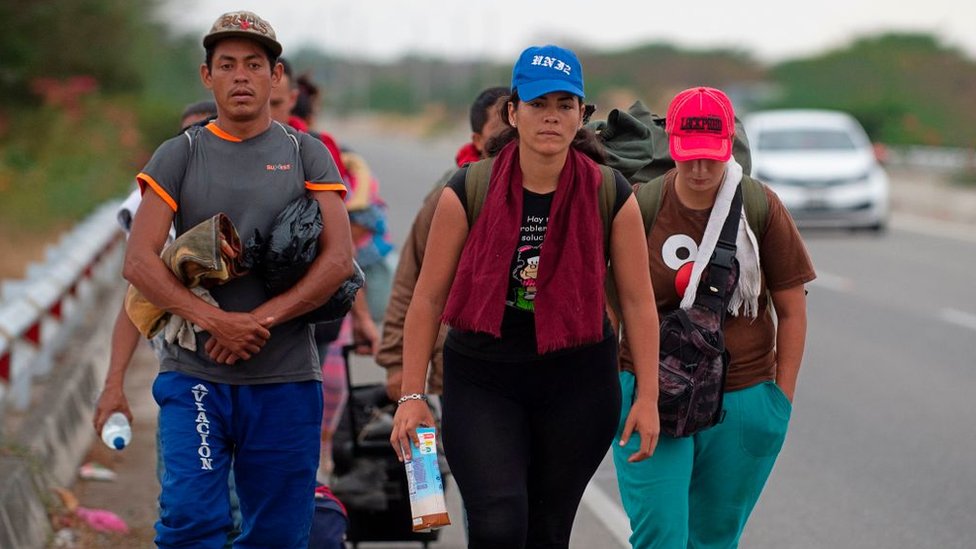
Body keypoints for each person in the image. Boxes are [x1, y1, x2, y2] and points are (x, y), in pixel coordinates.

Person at [390, 45, 661, 548]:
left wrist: (647, 397)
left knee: (548, 532)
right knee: (498, 524)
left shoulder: (610, 193)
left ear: (582, 114)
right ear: (513, 113)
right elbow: (426, 300)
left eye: (564, 104)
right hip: (483, 377)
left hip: (578, 380)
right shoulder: (468, 189)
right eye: (538, 104)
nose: (551, 116)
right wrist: (412, 395)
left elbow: (638, 302)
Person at [123, 11, 352, 548]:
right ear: (208, 76)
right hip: (195, 375)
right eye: (227, 65)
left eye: (254, 64)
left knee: (279, 533)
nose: (241, 76)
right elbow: (139, 261)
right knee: (189, 523)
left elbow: (339, 259)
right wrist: (214, 321)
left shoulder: (305, 153)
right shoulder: (180, 153)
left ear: (277, 77)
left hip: (286, 376)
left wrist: (257, 321)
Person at [613, 87, 816, 548]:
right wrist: (617, 386)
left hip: (743, 394)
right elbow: (610, 305)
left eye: (711, 156)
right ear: (672, 145)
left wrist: (778, 403)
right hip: (649, 393)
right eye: (690, 156)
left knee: (714, 539)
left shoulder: (760, 206)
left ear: (729, 146)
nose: (700, 169)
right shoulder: (642, 205)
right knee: (660, 535)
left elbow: (792, 309)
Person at [377, 85, 509, 401]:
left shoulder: (555, 192)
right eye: (499, 132)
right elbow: (410, 280)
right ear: (477, 140)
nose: (509, 141)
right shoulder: (453, 196)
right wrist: (398, 364)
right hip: (457, 365)